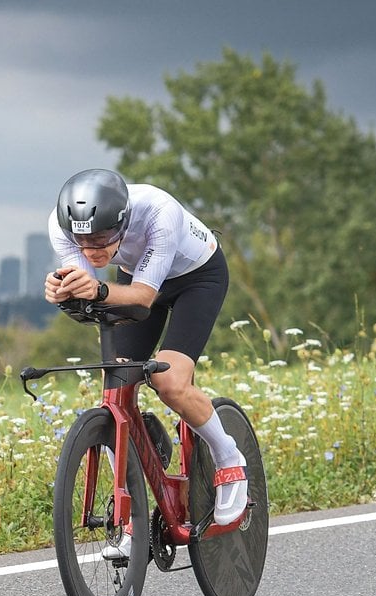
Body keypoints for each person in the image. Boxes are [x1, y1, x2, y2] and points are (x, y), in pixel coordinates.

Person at [43, 168, 246, 557]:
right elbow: (89, 294)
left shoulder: (158, 212)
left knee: (169, 382)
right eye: (81, 240)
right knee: (117, 384)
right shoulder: (61, 224)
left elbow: (140, 298)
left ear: (122, 221)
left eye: (101, 238)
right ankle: (137, 502)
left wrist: (99, 288)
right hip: (137, 275)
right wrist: (61, 290)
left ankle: (227, 455)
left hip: (195, 278)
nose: (91, 249)